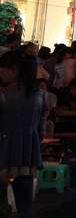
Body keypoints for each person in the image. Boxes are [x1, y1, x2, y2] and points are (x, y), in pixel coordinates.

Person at [0, 50, 43, 218]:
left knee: (2, 205)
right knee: (25, 206)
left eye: (2, 67)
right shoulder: (39, 95)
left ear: (15, 70)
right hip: (28, 157)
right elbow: (40, 129)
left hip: (4, 153)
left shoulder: (3, 94)